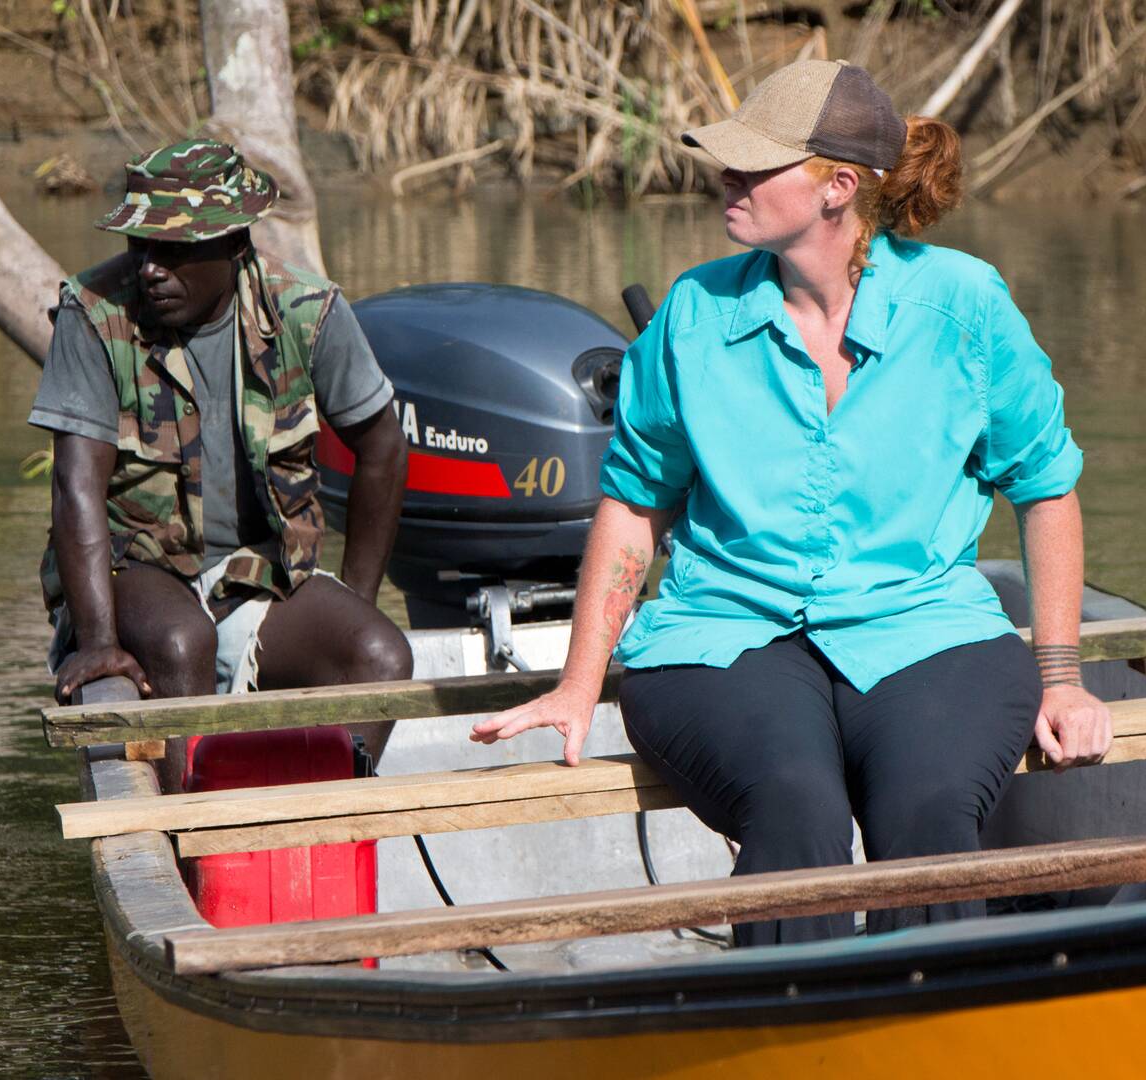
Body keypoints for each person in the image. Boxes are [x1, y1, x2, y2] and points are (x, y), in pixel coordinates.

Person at [471, 61, 1112, 946]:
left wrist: (1063, 678)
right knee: (794, 810)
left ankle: (938, 1027)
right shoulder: (692, 316)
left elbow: (1046, 489)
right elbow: (632, 505)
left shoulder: (964, 307)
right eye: (727, 162)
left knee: (927, 816)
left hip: (923, 624)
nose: (724, 179)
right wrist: (579, 686)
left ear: (837, 188)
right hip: (724, 634)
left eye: (752, 166)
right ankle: (788, 1026)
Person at [29, 139, 413, 709]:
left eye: (173, 249)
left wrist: (358, 595)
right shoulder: (95, 314)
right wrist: (100, 641)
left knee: (380, 656)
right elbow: (75, 485)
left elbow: (383, 447)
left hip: (258, 573)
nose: (151, 268)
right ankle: (185, 795)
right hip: (131, 568)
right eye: (141, 245)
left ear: (234, 244)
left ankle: (321, 795)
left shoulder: (308, 312)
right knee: (184, 643)